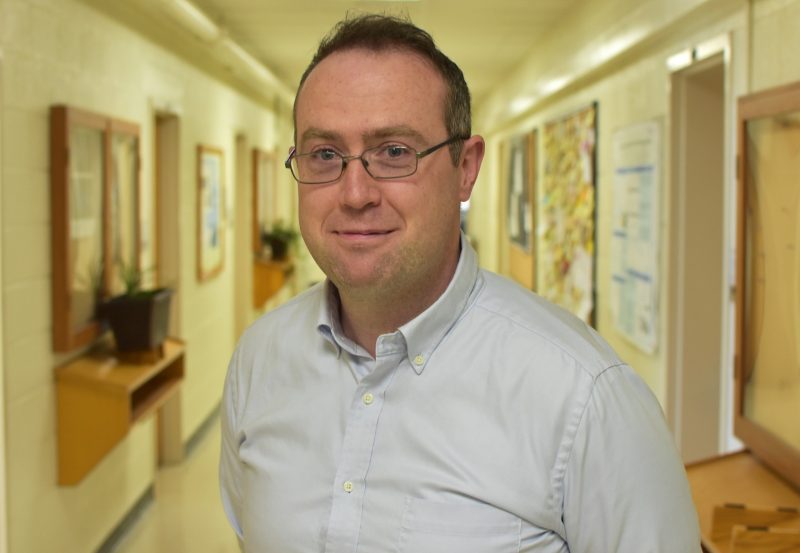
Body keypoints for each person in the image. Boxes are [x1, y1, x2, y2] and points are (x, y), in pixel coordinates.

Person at [220, 13, 701, 552]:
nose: (355, 193)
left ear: (466, 168)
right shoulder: (259, 361)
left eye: (394, 152)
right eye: (325, 154)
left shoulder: (586, 399)